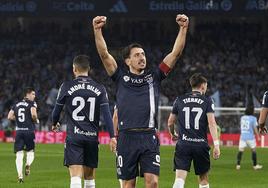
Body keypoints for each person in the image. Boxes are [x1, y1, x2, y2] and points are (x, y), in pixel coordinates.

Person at [93, 14, 189, 188]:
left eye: (143, 54)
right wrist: (97, 30)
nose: (142, 57)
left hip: (148, 136)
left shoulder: (155, 76)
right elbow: (104, 54)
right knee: (128, 185)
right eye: (137, 55)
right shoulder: (120, 77)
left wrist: (183, 29)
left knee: (152, 182)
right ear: (128, 60)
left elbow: (175, 54)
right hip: (126, 137)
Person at [51, 55, 117, 188]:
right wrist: (112, 137)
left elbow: (56, 111)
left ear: (74, 69)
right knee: (89, 178)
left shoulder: (66, 86)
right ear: (89, 69)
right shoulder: (100, 88)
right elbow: (107, 115)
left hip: (74, 137)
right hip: (92, 138)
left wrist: (54, 122)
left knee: (75, 177)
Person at [167, 73, 220, 188]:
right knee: (203, 180)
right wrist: (216, 144)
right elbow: (212, 123)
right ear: (203, 86)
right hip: (200, 145)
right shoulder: (208, 101)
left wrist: (172, 134)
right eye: (206, 86)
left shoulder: (179, 99)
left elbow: (170, 122)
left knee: (179, 179)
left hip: (183, 144)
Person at [7, 87, 39, 183]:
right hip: (29, 131)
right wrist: (35, 120)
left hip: (19, 132)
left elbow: (9, 116)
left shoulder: (16, 104)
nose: (34, 96)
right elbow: (33, 115)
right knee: (30, 152)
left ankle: (20, 177)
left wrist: (19, 120)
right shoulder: (32, 103)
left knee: (19, 155)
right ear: (27, 94)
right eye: (33, 94)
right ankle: (28, 164)